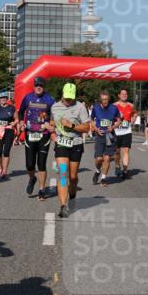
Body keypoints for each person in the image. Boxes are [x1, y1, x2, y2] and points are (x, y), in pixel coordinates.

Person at [51, 83, 92, 218]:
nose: (69, 101)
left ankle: (72, 195)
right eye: (67, 98)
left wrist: (71, 125)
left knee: (72, 177)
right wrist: (50, 127)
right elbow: (52, 122)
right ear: (62, 94)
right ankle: (63, 206)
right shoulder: (55, 107)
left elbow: (86, 128)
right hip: (61, 142)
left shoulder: (80, 107)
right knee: (63, 174)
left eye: (71, 98)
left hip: (76, 143)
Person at [17, 76, 55, 200]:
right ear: (33, 86)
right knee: (29, 165)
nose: (39, 87)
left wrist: (52, 125)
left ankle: (41, 190)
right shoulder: (28, 97)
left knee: (42, 164)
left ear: (44, 87)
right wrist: (21, 123)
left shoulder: (50, 99)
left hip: (44, 135)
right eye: (37, 85)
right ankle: (32, 178)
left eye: (41, 85)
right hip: (30, 134)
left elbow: (55, 116)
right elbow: (20, 112)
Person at [90, 91, 120, 186]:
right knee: (99, 159)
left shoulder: (114, 108)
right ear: (100, 100)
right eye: (103, 99)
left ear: (109, 99)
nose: (105, 101)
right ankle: (97, 171)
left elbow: (119, 120)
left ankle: (103, 178)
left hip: (110, 136)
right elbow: (91, 119)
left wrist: (113, 127)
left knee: (107, 158)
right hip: (99, 135)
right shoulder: (96, 108)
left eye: (106, 99)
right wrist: (95, 129)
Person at [113, 88, 138, 180]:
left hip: (127, 131)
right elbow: (109, 116)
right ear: (119, 95)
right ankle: (116, 166)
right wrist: (117, 117)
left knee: (126, 150)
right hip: (116, 131)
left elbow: (135, 113)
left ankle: (125, 171)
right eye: (122, 94)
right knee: (117, 151)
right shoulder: (114, 105)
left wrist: (133, 121)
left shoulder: (131, 106)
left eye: (126, 94)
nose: (124, 95)